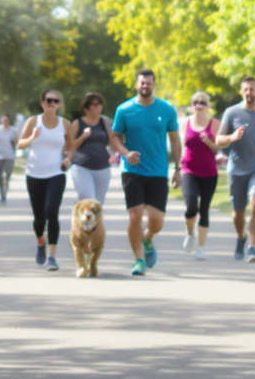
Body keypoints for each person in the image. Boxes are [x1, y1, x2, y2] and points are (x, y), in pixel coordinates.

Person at [110, 69, 180, 276]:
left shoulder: (166, 109)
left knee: (157, 221)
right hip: (132, 170)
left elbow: (175, 140)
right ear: (136, 84)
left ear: (154, 85)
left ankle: (148, 239)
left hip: (158, 171)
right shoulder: (124, 110)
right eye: (142, 83)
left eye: (149, 83)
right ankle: (138, 259)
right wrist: (125, 153)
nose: (145, 86)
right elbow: (115, 137)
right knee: (135, 216)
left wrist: (178, 169)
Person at [216, 77, 255, 263]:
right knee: (238, 212)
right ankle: (241, 237)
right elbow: (218, 139)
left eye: (252, 89)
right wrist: (231, 137)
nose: (248, 93)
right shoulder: (232, 112)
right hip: (236, 167)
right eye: (245, 89)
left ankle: (252, 246)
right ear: (241, 91)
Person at [18, 90, 72, 272]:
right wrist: (32, 137)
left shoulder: (65, 124)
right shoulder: (33, 121)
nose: (52, 103)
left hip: (56, 174)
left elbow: (70, 148)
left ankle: (52, 257)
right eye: (48, 100)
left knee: (52, 212)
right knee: (39, 218)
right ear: (42, 103)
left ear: (59, 104)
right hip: (34, 174)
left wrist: (68, 159)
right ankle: (41, 240)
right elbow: (20, 144)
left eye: (55, 101)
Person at [179, 91, 220, 261]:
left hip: (209, 173)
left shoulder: (215, 123)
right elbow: (179, 145)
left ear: (207, 105)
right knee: (191, 206)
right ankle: (190, 233)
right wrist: (176, 168)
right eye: (196, 102)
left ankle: (201, 247)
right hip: (188, 169)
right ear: (192, 104)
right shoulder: (184, 123)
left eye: (203, 103)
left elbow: (218, 149)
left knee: (204, 210)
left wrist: (208, 141)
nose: (199, 106)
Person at [67, 92, 118, 206]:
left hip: (102, 167)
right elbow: (70, 147)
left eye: (99, 104)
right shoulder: (77, 123)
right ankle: (81, 218)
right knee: (88, 200)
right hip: (81, 166)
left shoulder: (105, 122)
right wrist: (83, 137)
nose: (97, 107)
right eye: (93, 105)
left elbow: (113, 141)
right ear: (86, 107)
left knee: (98, 205)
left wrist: (125, 153)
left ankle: (94, 224)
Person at [0, 114, 18, 203]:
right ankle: (2, 195)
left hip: (9, 156)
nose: (4, 121)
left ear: (8, 120)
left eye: (6, 120)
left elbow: (16, 143)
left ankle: (6, 187)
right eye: (3, 119)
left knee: (7, 176)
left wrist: (14, 145)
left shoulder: (13, 131)